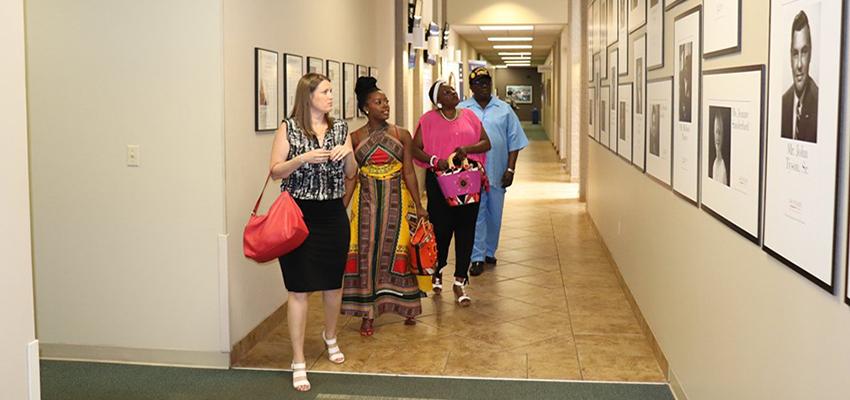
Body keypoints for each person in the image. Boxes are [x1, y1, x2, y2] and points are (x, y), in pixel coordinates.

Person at [268, 73, 357, 392]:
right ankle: (298, 360)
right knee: (299, 289)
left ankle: (330, 337)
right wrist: (303, 158)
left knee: (333, 285)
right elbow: (275, 170)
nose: (332, 96)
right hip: (298, 216)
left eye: (332, 91)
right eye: (326, 91)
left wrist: (347, 155)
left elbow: (351, 174)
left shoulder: (340, 129)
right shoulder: (288, 128)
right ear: (308, 97)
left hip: (333, 214)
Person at [341, 76, 427, 335]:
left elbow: (409, 172)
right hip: (366, 202)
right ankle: (367, 314)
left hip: (397, 202)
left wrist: (418, 204)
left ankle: (406, 305)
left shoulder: (402, 134)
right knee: (366, 254)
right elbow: (352, 176)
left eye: (386, 101)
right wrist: (340, 208)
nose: (385, 105)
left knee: (399, 252)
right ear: (366, 107)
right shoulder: (354, 138)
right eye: (378, 102)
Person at [412, 80, 491, 306]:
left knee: (466, 230)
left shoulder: (469, 116)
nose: (453, 92)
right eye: (447, 92)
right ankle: (438, 270)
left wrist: (468, 150)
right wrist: (435, 160)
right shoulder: (427, 120)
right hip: (439, 183)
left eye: (453, 89)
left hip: (468, 180)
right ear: (438, 100)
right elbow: (415, 148)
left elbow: (487, 142)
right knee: (441, 230)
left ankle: (460, 281)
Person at [459, 68, 528, 276]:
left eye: (486, 83)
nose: (483, 87)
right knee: (475, 214)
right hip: (470, 173)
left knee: (495, 214)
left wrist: (510, 169)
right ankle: (477, 257)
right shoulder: (462, 109)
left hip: (497, 170)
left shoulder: (504, 109)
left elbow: (514, 140)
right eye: (479, 83)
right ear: (471, 87)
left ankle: (490, 251)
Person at [781, 10, 819, 143]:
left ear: (810, 55)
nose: (799, 65)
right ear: (790, 57)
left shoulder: (819, 103)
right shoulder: (783, 102)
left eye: (804, 52)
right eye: (795, 54)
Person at [711, 112, 729, 186]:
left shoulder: (723, 165)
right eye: (716, 132)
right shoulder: (714, 163)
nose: (718, 137)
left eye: (720, 133)